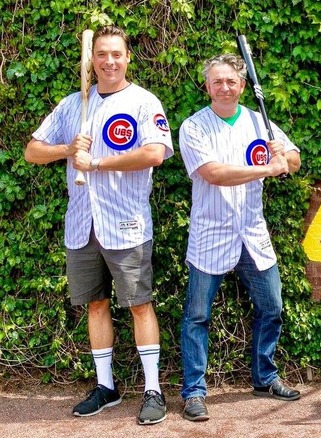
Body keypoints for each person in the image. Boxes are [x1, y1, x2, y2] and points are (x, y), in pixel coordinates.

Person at [24, 25, 173, 425]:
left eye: (116, 54)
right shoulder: (74, 103)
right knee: (95, 303)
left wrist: (98, 163)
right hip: (82, 226)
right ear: (92, 60)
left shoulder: (143, 101)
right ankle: (106, 387)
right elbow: (32, 151)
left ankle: (153, 389)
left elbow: (156, 153)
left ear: (128, 58)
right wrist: (66, 150)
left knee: (139, 305)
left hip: (126, 223)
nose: (109, 61)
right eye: (102, 54)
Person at [178, 54, 302, 422]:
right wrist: (268, 167)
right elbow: (213, 173)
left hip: (252, 232)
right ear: (207, 86)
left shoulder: (258, 121)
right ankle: (194, 393)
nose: (225, 87)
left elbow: (293, 159)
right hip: (210, 232)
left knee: (273, 307)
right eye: (217, 81)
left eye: (231, 81)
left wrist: (286, 156)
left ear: (243, 85)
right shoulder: (194, 126)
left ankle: (264, 378)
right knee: (197, 316)